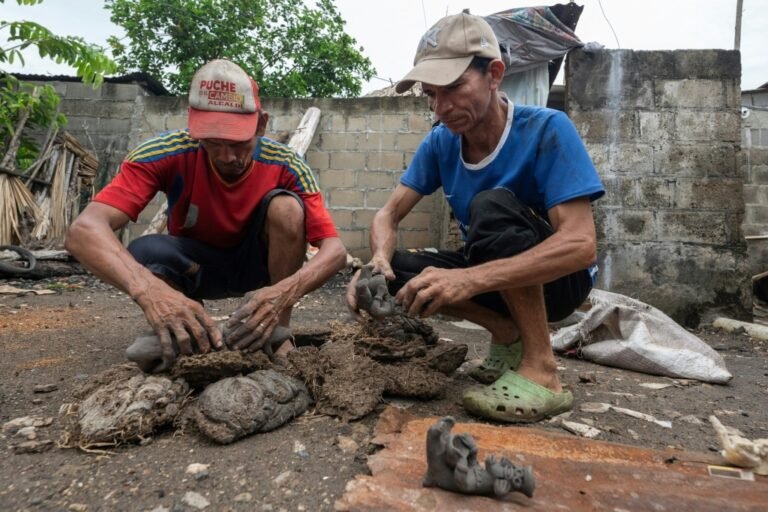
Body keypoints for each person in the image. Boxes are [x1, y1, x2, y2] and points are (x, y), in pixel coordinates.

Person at [346, 13, 604, 423]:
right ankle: (506, 333)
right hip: (494, 272)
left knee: (491, 205)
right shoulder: (441, 142)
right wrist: (375, 261)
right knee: (396, 270)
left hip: (559, 282)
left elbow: (579, 245)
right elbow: (388, 214)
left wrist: (465, 279)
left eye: (453, 88)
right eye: (431, 94)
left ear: (494, 74)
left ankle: (543, 370)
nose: (441, 106)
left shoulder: (547, 130)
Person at [66, 59, 346, 367]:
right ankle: (187, 328)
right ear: (195, 128)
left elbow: (334, 251)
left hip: (260, 268)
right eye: (213, 143)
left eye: (239, 143)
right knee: (146, 249)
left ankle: (276, 330)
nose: (227, 156)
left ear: (261, 124)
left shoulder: (287, 164)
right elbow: (84, 231)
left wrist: (283, 294)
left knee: (288, 209)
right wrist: (149, 291)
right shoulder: (163, 153)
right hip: (195, 269)